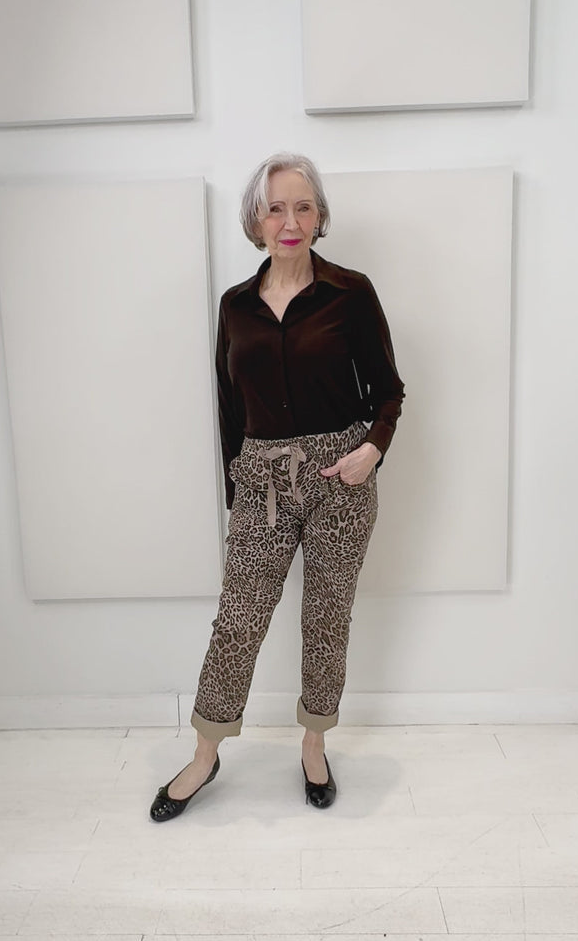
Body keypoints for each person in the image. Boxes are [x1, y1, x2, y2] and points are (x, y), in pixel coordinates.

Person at [150, 152, 404, 822]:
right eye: (275, 208)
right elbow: (229, 408)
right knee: (238, 618)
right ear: (255, 220)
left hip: (339, 474)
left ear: (319, 217)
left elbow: (388, 391)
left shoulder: (351, 293)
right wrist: (237, 494)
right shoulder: (235, 306)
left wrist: (371, 451)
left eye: (302, 207)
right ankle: (204, 755)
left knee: (326, 618)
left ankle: (314, 745)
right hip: (261, 475)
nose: (289, 221)